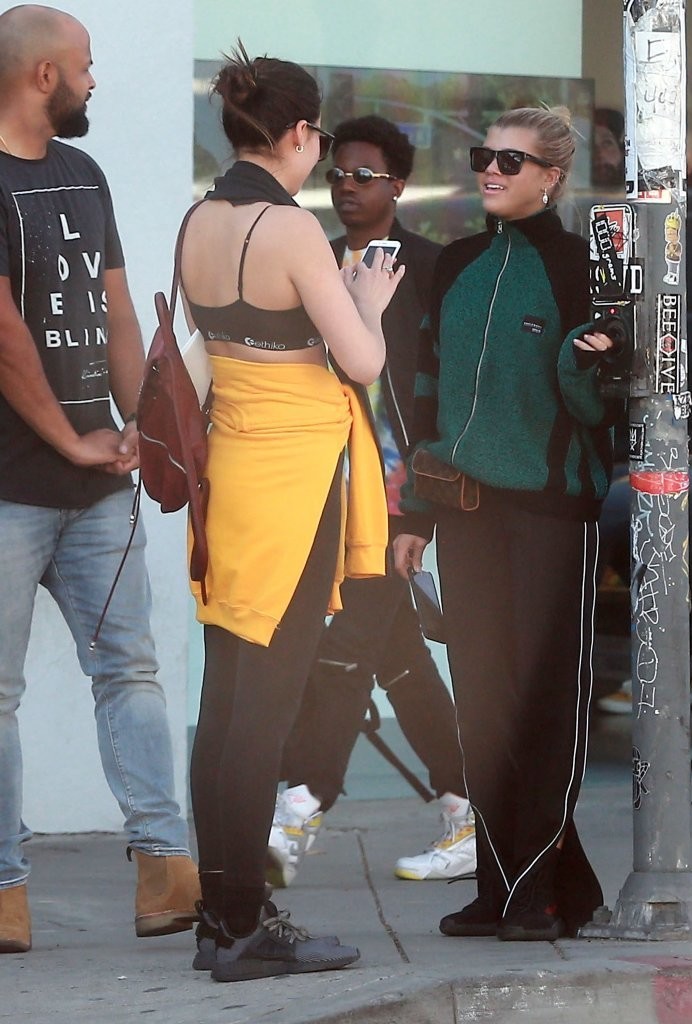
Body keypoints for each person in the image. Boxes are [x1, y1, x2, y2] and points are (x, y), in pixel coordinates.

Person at [180, 47, 403, 983]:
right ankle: (242, 926)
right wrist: (368, 299)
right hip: (297, 484)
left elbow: (207, 349)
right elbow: (362, 361)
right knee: (263, 714)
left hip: (229, 478)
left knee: (225, 703)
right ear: (302, 133)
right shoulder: (293, 228)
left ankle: (218, 916)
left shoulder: (199, 218)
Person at [0, 5, 201, 955]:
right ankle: (4, 893)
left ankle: (166, 869)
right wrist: (70, 440)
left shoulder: (83, 173)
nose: (94, 79)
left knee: (130, 670)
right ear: (43, 75)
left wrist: (136, 427)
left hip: (99, 492)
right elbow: (4, 332)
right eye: (84, 64)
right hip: (9, 483)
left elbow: (116, 311)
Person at [393, 107, 619, 942]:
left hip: (552, 512)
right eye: (483, 156)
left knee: (544, 705)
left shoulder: (578, 268)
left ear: (551, 176)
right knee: (483, 705)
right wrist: (415, 514)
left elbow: (599, 408)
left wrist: (583, 361)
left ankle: (540, 892)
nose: (490, 170)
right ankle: (501, 886)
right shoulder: (456, 263)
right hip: (466, 514)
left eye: (511, 161)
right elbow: (427, 392)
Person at [270, 115, 474, 887]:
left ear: (398, 185)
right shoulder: (315, 264)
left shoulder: (433, 270)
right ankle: (467, 808)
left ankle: (299, 808)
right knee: (399, 660)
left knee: (346, 648)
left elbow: (444, 394)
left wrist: (422, 511)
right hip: (326, 491)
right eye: (338, 175)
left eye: (364, 175)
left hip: (397, 497)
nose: (347, 187)